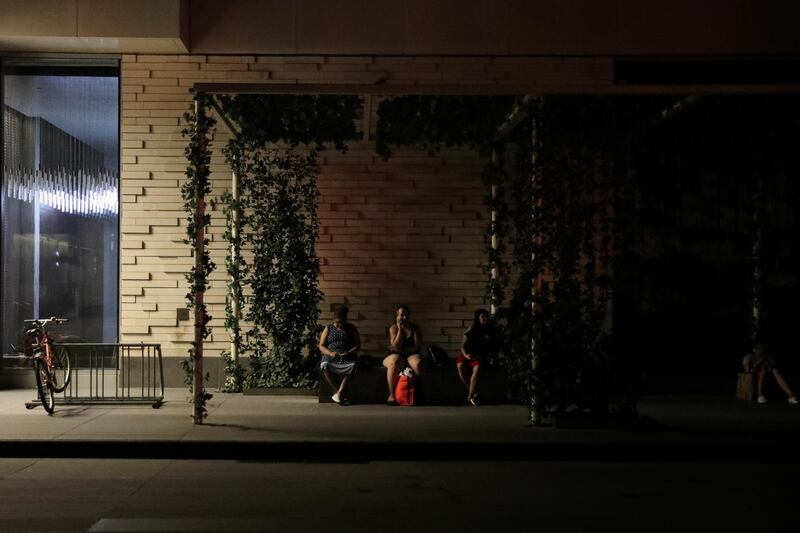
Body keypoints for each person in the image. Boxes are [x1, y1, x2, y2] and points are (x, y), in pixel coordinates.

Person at [318, 305, 360, 405]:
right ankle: (340, 393)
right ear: (334, 319)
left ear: (345, 319)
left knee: (353, 366)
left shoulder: (351, 328)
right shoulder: (328, 328)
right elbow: (321, 346)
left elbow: (357, 346)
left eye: (341, 322)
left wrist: (349, 353)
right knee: (325, 365)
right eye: (337, 322)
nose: (339, 324)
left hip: (346, 355)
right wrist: (331, 353)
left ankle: (339, 393)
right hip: (331, 355)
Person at [383, 304, 423, 405]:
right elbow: (395, 346)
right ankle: (391, 395)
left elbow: (417, 346)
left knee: (418, 364)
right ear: (397, 316)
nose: (404, 317)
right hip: (396, 355)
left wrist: (402, 351)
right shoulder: (393, 328)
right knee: (393, 363)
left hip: (411, 354)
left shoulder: (415, 328)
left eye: (406, 315)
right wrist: (400, 329)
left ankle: (419, 393)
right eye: (402, 315)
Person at [457, 308, 498, 406]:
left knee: (477, 368)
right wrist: (465, 355)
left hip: (478, 356)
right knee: (459, 365)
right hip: (467, 353)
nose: (485, 318)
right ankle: (472, 391)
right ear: (477, 318)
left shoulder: (490, 330)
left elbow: (493, 346)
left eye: (486, 316)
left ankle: (470, 396)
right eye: (482, 316)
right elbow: (462, 345)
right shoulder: (471, 328)